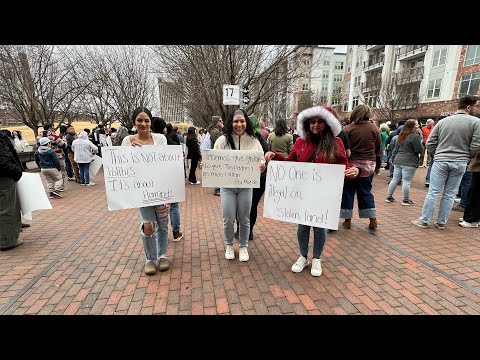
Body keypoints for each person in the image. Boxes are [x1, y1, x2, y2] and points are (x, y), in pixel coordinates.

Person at [264, 106, 360, 276]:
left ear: (327, 123)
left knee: (319, 227)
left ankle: (317, 258)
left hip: (323, 194)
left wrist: (354, 171)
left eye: (320, 122)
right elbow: (291, 162)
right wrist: (275, 156)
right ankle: (303, 256)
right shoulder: (300, 142)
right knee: (303, 226)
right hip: (303, 193)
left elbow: (343, 166)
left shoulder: (336, 143)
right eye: (312, 122)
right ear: (307, 124)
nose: (315, 125)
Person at [412, 95, 480, 229]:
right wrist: (467, 156)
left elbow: (430, 142)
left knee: (434, 192)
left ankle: (424, 220)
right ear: (468, 107)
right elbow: (477, 144)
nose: (476, 109)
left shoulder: (443, 122)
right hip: (460, 161)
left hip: (441, 160)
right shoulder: (476, 122)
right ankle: (441, 222)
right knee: (450, 194)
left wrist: (436, 155)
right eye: (475, 106)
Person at [122, 107, 170, 275]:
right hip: (141, 191)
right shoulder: (127, 141)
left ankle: (162, 255)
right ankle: (150, 258)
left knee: (163, 223)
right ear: (134, 122)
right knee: (148, 225)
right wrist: (130, 153)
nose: (143, 124)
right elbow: (123, 167)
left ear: (151, 122)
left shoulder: (161, 139)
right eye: (139, 120)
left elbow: (166, 163)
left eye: (146, 120)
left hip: (160, 189)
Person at [214, 109, 265, 262]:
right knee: (228, 218)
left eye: (242, 121)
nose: (239, 124)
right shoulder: (222, 141)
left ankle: (243, 246)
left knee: (244, 218)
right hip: (227, 187)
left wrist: (262, 165)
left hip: (246, 186)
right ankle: (229, 244)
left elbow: (261, 159)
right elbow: (214, 160)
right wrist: (207, 164)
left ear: (246, 122)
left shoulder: (254, 141)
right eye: (236, 121)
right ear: (231, 123)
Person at [340, 104, 382, 230]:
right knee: (365, 192)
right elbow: (378, 150)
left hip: (350, 166)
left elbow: (343, 150)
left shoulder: (347, 129)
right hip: (368, 166)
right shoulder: (374, 129)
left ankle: (347, 220)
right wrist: (378, 167)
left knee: (348, 192)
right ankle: (372, 219)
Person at [152, 117, 184, 242]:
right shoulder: (170, 141)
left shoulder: (148, 142)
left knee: (156, 208)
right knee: (174, 207)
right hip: (171, 178)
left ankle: (157, 235)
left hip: (153, 182)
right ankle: (176, 232)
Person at [385, 119, 423, 205]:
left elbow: (396, 149)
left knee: (395, 179)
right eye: (416, 125)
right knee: (406, 181)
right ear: (412, 126)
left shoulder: (401, 135)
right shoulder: (415, 136)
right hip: (409, 161)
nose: (418, 126)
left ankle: (389, 196)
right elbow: (419, 149)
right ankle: (406, 200)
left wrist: (393, 157)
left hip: (398, 160)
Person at [0, 130, 24, 251]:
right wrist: (16, 171)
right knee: (8, 209)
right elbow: (3, 161)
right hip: (4, 178)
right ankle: (7, 241)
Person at [209, 115, 224, 196]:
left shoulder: (218, 131)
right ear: (216, 123)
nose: (222, 122)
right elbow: (220, 141)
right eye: (220, 121)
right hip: (216, 154)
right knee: (217, 172)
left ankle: (218, 188)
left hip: (219, 154)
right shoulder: (214, 132)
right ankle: (217, 189)